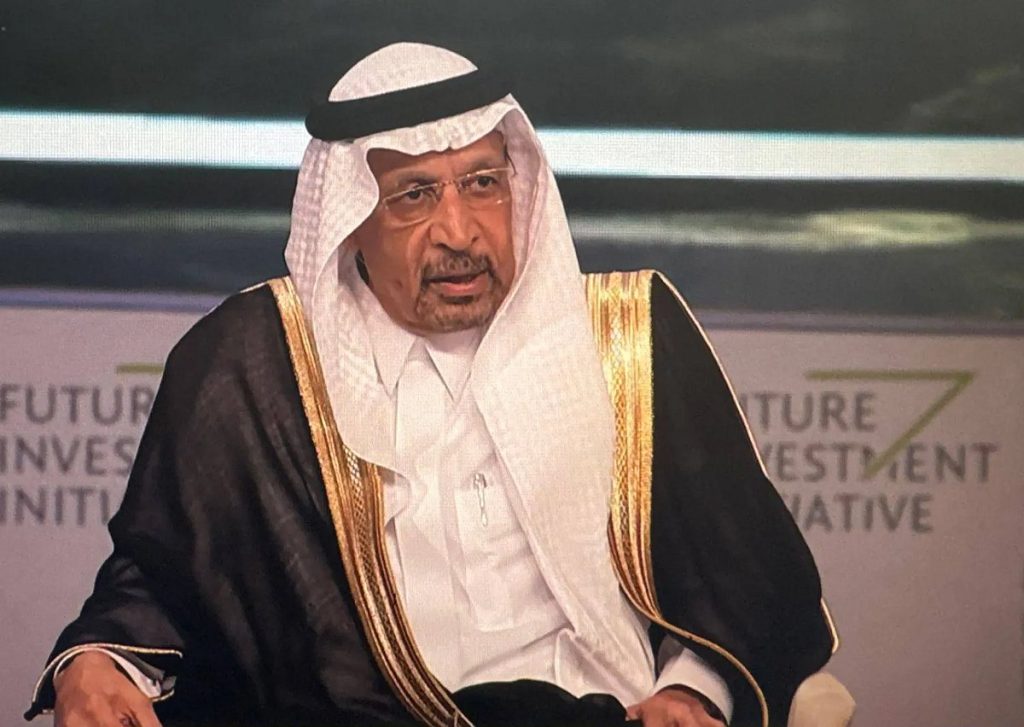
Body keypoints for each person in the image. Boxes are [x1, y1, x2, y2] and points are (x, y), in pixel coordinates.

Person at [26, 43, 837, 727]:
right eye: (415, 196)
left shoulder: (629, 337)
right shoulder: (256, 362)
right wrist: (95, 659)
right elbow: (164, 572)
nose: (460, 231)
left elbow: (751, 573)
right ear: (352, 218)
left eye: (483, 183)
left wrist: (692, 692)